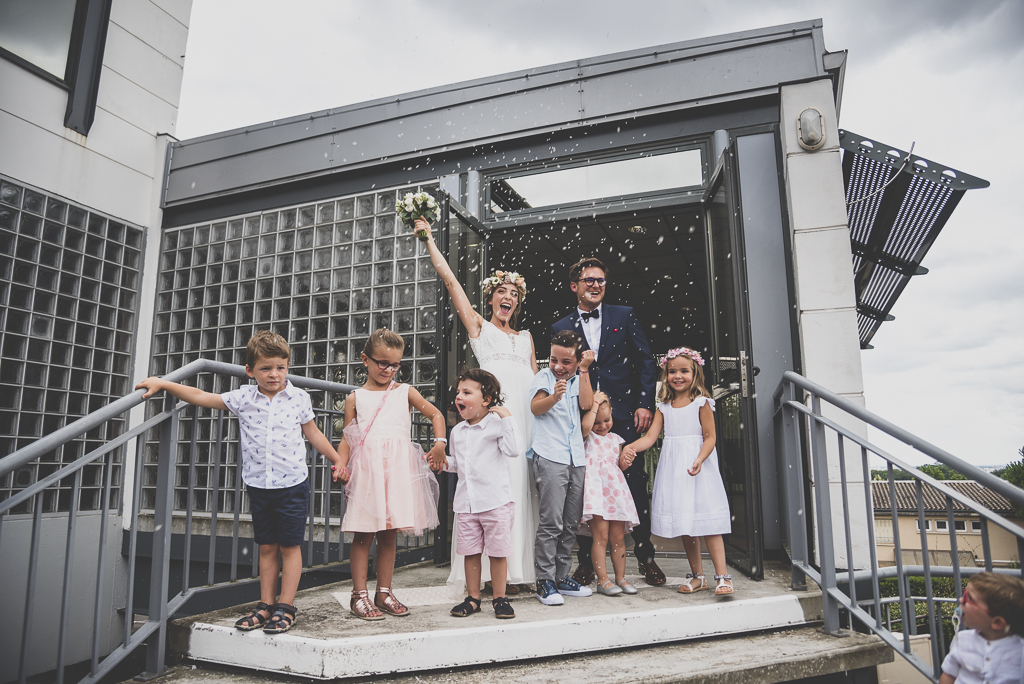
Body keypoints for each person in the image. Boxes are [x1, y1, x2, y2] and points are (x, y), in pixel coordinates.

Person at [136, 330, 345, 634]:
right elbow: (201, 397)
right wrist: (164, 383)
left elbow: (312, 433)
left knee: (290, 546)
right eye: (266, 368)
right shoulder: (243, 397)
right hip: (259, 486)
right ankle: (265, 605)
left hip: (292, 486)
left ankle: (286, 606)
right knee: (266, 548)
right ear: (250, 371)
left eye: (280, 367)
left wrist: (337, 459)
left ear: (287, 366)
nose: (274, 374)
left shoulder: (299, 397)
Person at [416, 217, 539, 596]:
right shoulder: (480, 329)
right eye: (502, 291)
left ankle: (516, 573)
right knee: (488, 491)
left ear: (518, 302)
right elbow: (451, 281)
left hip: (523, 427)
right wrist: (429, 241)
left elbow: (538, 391)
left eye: (514, 294)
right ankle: (481, 577)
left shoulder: (528, 339)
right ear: (490, 298)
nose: (509, 297)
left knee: (519, 493)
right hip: (491, 426)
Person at [551, 257, 662, 586]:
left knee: (635, 485)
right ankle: (586, 561)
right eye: (589, 280)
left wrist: (645, 403)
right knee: (585, 489)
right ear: (575, 286)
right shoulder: (561, 326)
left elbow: (644, 361)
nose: (596, 285)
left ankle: (646, 556)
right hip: (582, 421)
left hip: (624, 416)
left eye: (600, 280)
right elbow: (561, 370)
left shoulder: (624, 315)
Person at [336, 328, 446, 620]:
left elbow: (436, 414)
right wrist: (341, 464)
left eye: (395, 364)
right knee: (364, 534)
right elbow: (348, 438)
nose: (388, 369)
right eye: (381, 362)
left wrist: (439, 444)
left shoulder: (405, 392)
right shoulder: (354, 398)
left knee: (388, 535)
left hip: (395, 472)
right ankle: (358, 595)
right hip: (367, 473)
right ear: (365, 359)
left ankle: (383, 592)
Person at [622, 347, 734, 596]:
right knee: (686, 523)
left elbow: (710, 437)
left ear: (695, 373)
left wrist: (699, 459)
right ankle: (698, 576)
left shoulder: (702, 403)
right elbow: (650, 438)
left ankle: (722, 576)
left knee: (708, 523)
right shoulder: (664, 407)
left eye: (684, 371)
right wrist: (629, 447)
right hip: (675, 470)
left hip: (698, 468)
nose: (678, 376)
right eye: (672, 371)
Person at [440, 369, 520, 620]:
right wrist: (442, 462)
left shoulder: (497, 425)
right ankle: (473, 598)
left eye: (466, 392)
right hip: (466, 504)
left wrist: (507, 418)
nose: (458, 397)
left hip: (495, 501)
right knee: (470, 552)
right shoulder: (458, 432)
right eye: (458, 393)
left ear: (487, 399)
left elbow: (514, 450)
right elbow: (458, 465)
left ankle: (500, 598)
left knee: (497, 552)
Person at [529, 330, 595, 605]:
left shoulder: (580, 376)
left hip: (576, 457)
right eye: (554, 358)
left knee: (570, 523)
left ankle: (561, 576)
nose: (558, 366)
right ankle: (544, 580)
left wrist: (583, 372)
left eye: (566, 361)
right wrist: (554, 397)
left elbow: (587, 404)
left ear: (578, 360)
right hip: (550, 455)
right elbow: (535, 408)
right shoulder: (544, 378)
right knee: (551, 522)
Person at [580, 391, 640, 597]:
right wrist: (594, 405)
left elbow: (620, 466)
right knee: (600, 537)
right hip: (597, 495)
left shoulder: (616, 439)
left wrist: (626, 459)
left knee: (618, 538)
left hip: (615, 494)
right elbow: (586, 428)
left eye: (607, 420)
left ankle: (621, 578)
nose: (602, 426)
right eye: (597, 421)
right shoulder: (587, 436)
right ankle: (603, 580)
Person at [940, 572, 1024, 684]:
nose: (961, 600)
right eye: (965, 593)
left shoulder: (1019, 651)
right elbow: (949, 674)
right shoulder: (961, 639)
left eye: (969, 598)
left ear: (998, 623)